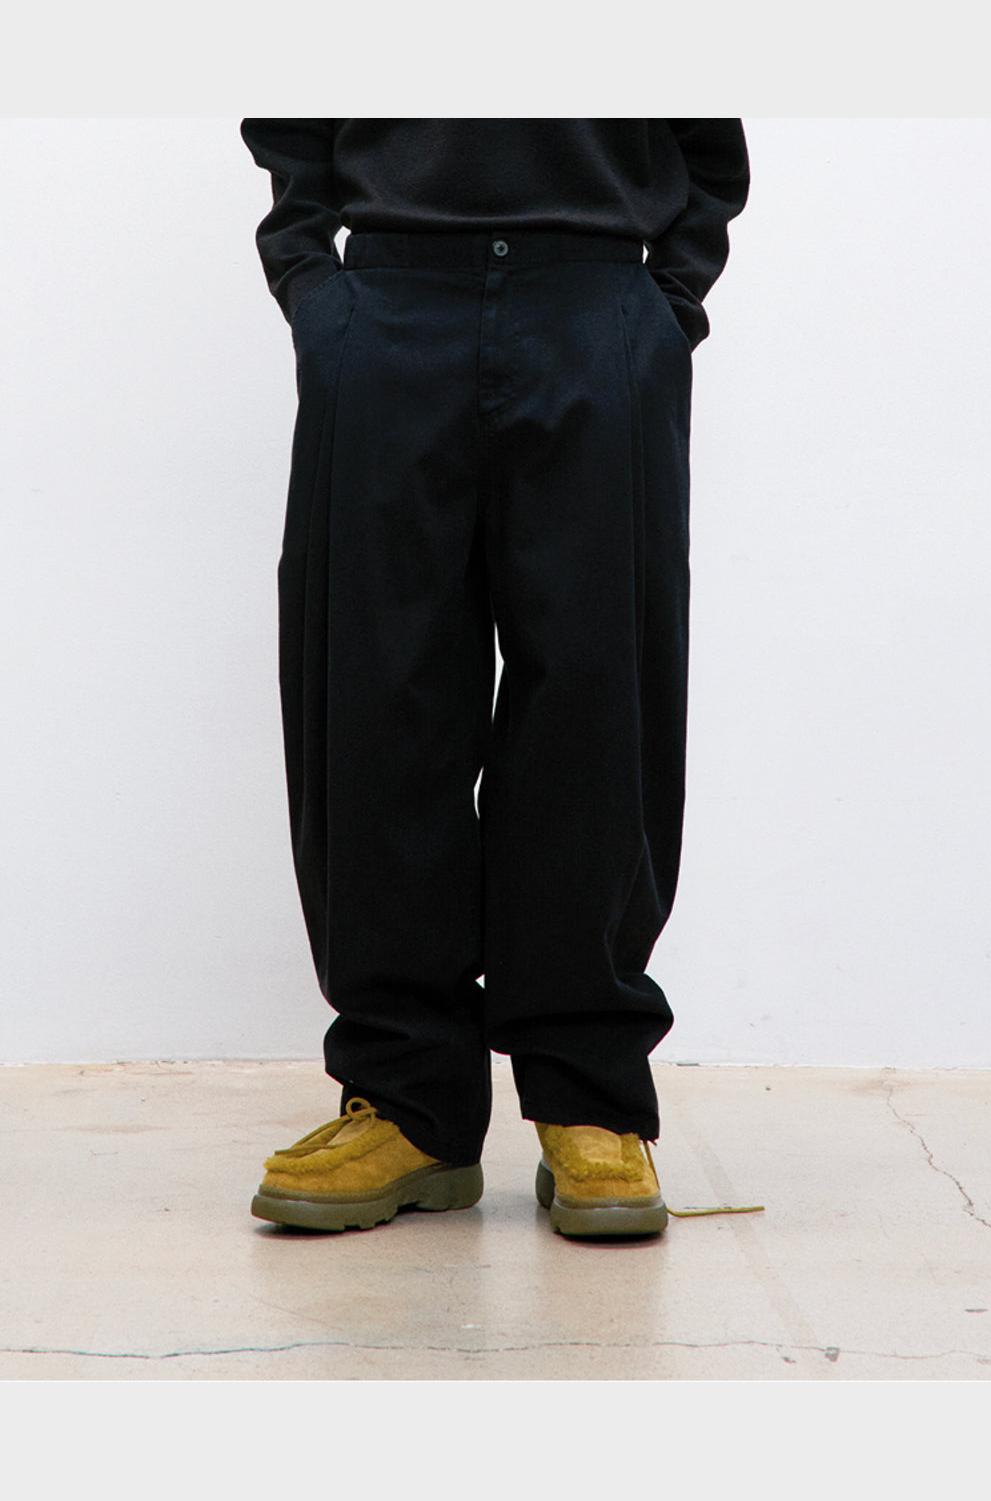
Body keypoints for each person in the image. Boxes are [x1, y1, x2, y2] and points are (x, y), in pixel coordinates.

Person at [240, 118, 750, 1239]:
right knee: (375, 702)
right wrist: (315, 290)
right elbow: (289, 115)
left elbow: (710, 146)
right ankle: (407, 1100)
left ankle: (588, 1097)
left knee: (595, 705)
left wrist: (658, 310)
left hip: (594, 304)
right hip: (386, 304)